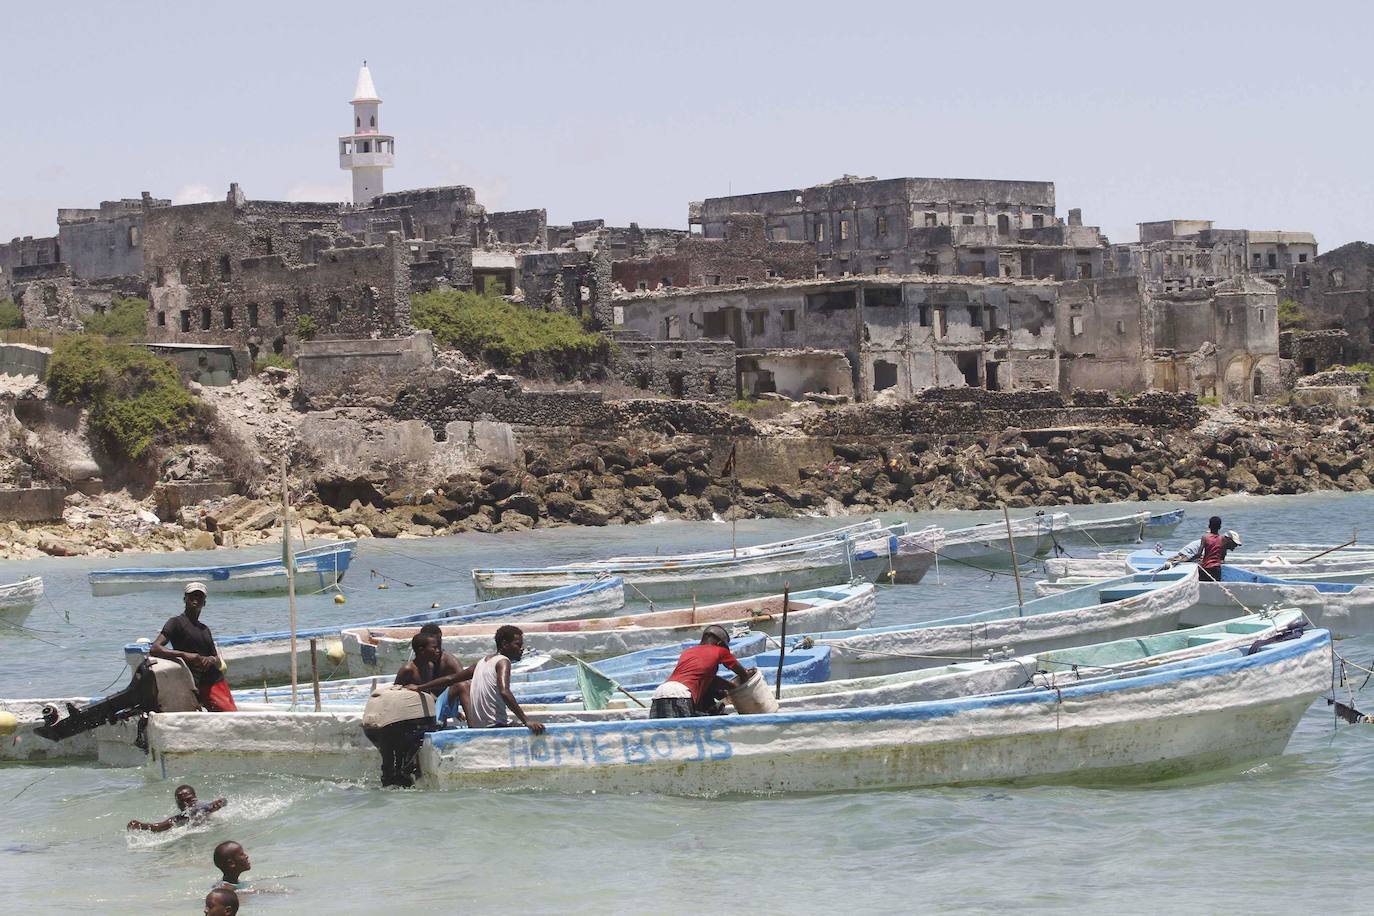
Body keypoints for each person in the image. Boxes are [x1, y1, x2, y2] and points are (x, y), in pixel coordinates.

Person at [150, 582, 237, 712]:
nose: (196, 599)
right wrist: (185, 655)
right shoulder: (175, 623)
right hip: (192, 682)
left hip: (214, 681)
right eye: (192, 596)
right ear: (185, 599)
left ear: (204, 602)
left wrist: (210, 660)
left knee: (230, 713)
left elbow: (217, 659)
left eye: (200, 597)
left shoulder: (205, 629)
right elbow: (155, 648)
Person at [650, 625, 756, 719]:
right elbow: (742, 673)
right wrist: (743, 686)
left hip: (660, 692)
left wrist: (729, 687)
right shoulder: (720, 650)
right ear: (719, 643)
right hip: (682, 695)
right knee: (686, 734)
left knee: (659, 732)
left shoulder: (688, 652)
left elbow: (708, 679)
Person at [466, 625, 544, 734]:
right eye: (518, 644)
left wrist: (432, 685)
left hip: (478, 727)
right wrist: (527, 721)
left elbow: (451, 678)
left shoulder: (482, 661)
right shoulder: (503, 661)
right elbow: (504, 692)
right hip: (496, 725)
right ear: (505, 645)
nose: (522, 649)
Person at [396, 624, 469, 726]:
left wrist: (452, 711)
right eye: (434, 647)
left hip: (431, 704)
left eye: (439, 643)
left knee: (461, 686)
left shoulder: (432, 665)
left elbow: (429, 693)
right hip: (412, 710)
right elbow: (395, 692)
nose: (438, 650)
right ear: (422, 649)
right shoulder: (408, 669)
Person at [1163, 516, 1242, 581]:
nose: (1234, 547)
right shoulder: (1216, 541)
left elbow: (1220, 560)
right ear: (1228, 540)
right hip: (1189, 553)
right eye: (1234, 544)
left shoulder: (1222, 546)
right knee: (1177, 561)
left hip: (1201, 559)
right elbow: (1201, 555)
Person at [126, 783, 226, 832]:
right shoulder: (179, 818)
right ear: (177, 804)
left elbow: (216, 805)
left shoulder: (202, 808)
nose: (186, 804)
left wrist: (220, 803)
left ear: (195, 798)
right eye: (181, 802)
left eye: (189, 799)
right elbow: (158, 827)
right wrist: (140, 825)